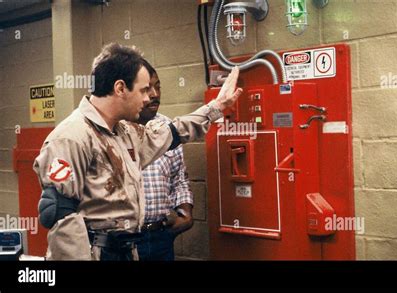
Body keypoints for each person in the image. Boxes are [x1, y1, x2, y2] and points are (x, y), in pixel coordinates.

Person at [33, 43, 242, 260]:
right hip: (97, 253)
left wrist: (217, 106)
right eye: (143, 90)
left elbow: (172, 131)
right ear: (120, 88)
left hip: (127, 250)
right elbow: (59, 214)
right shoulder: (71, 137)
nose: (148, 98)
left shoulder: (124, 133)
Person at [136, 63, 193, 261]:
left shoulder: (169, 128)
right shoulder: (118, 130)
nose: (154, 94)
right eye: (147, 88)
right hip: (126, 240)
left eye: (158, 87)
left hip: (162, 236)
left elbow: (179, 179)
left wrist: (185, 215)